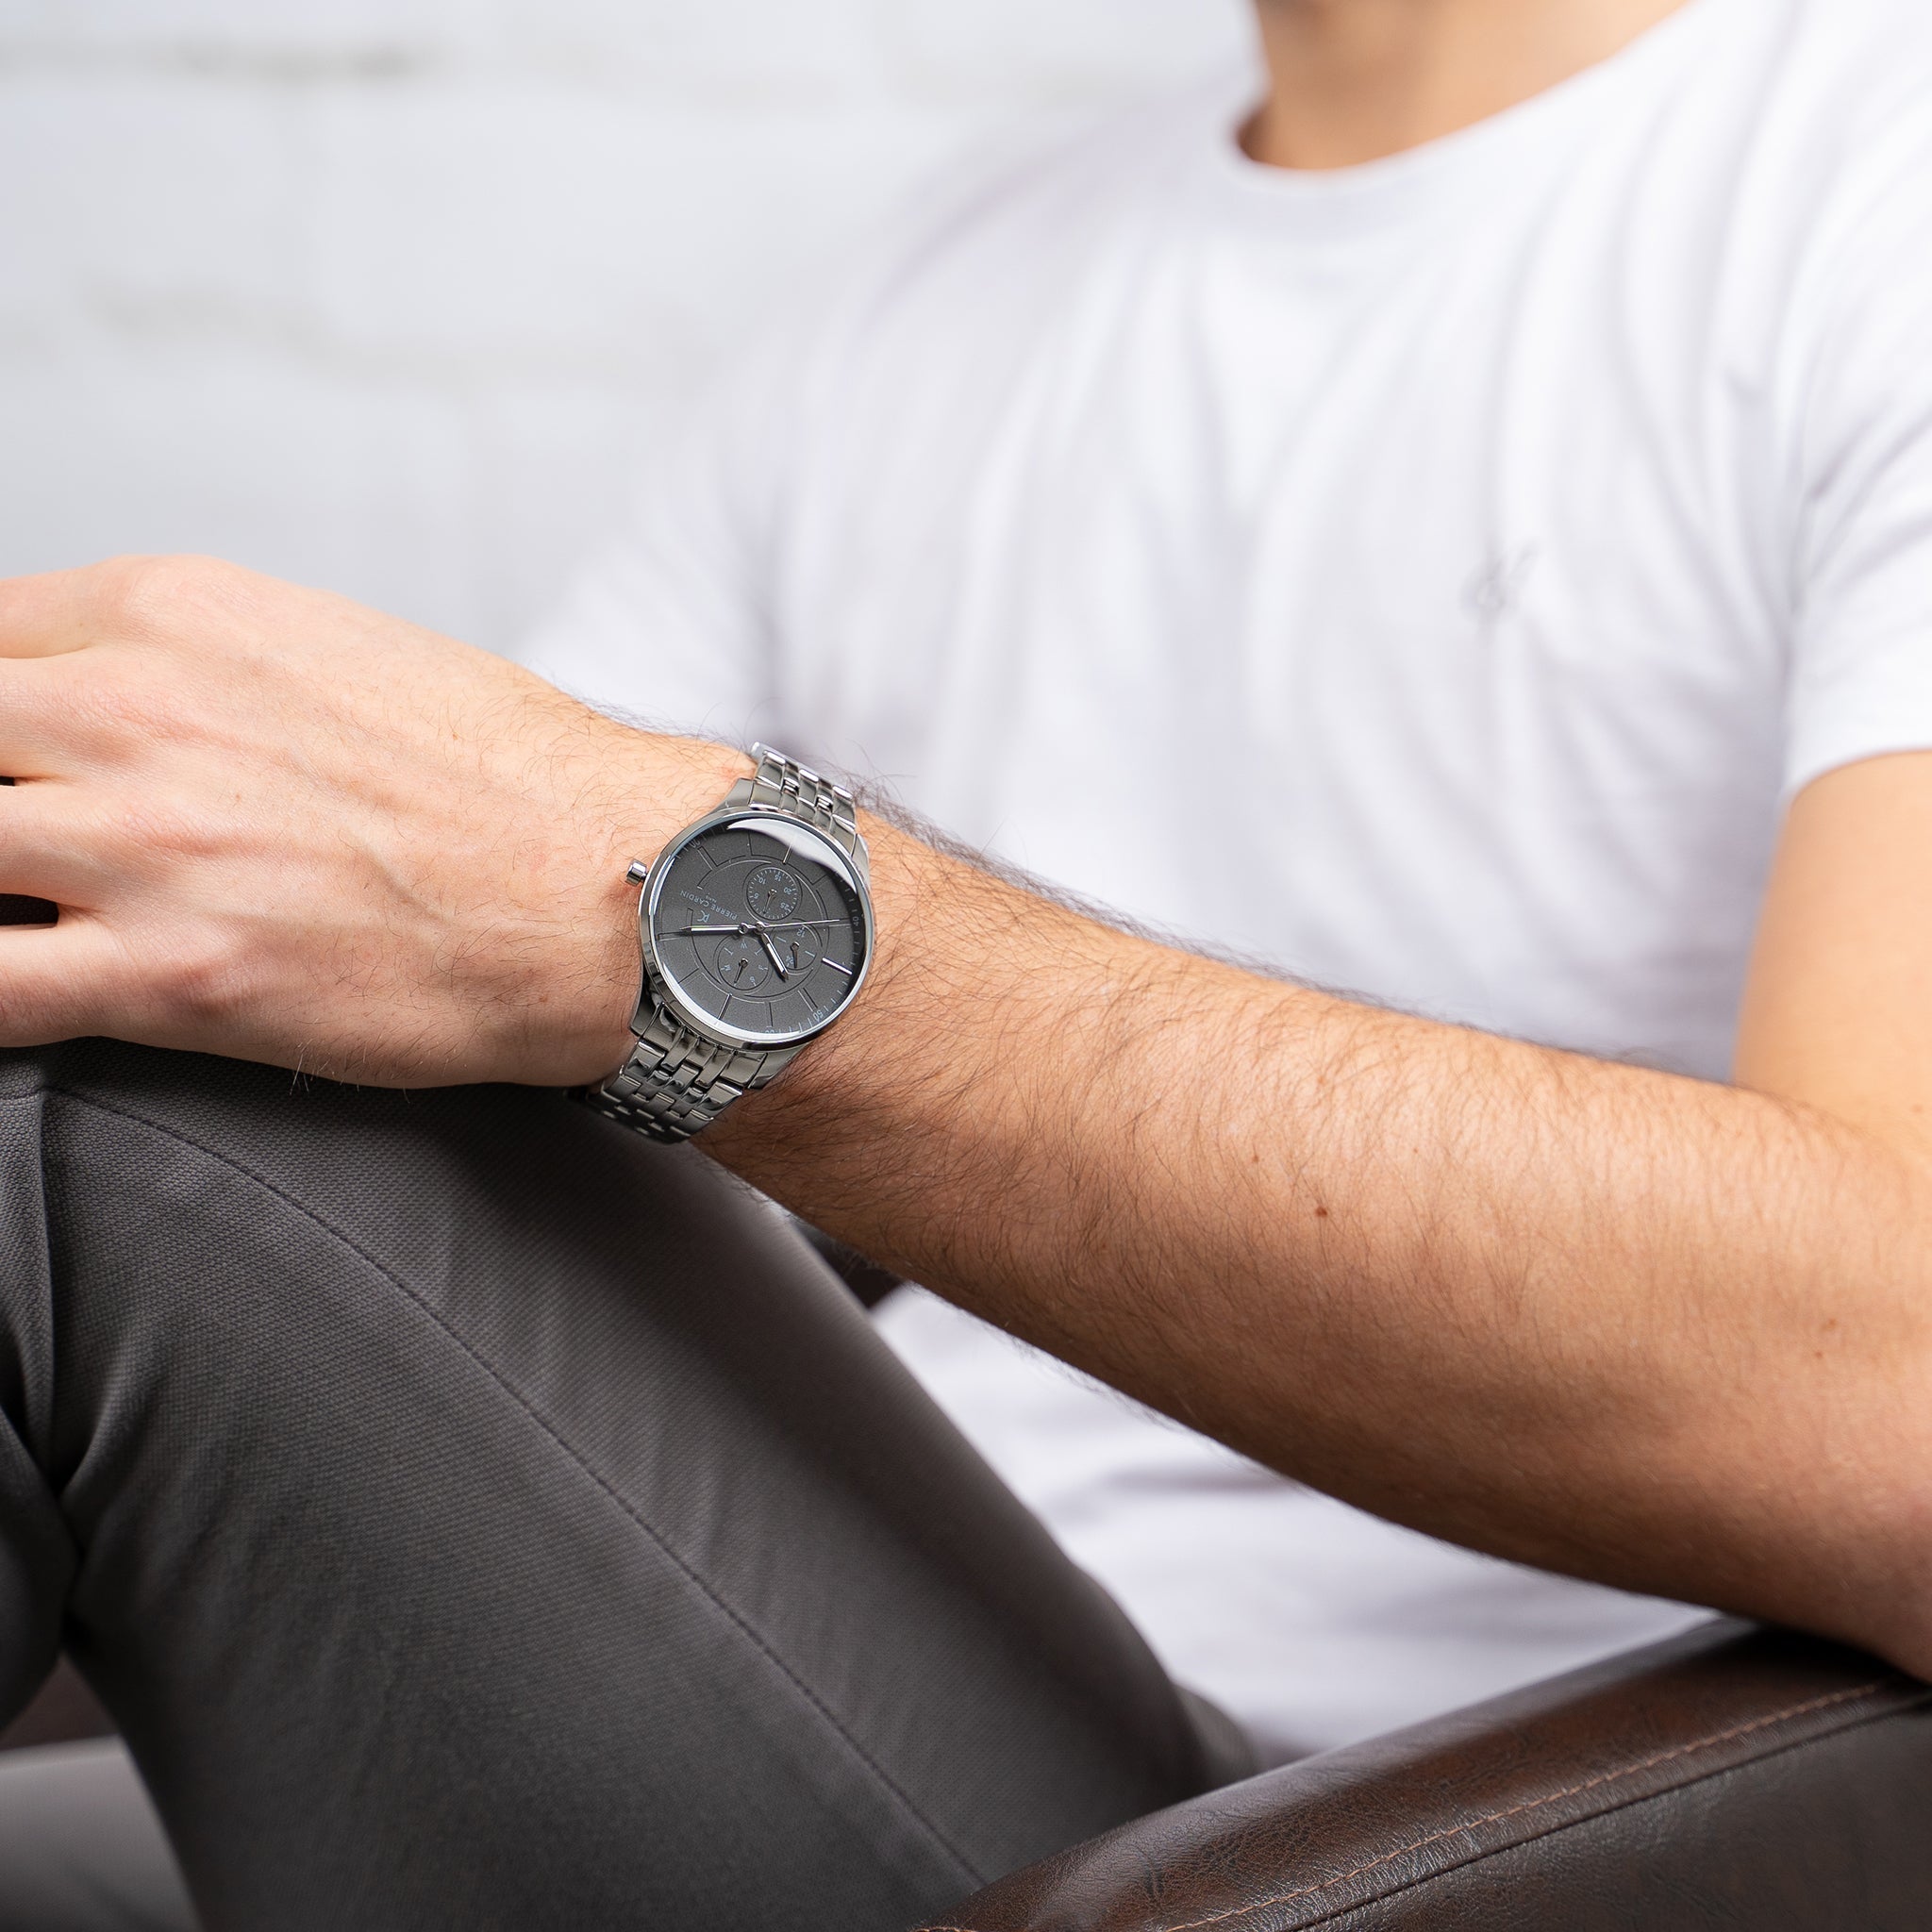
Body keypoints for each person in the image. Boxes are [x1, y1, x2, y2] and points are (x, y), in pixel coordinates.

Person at [5, 0, 1932, 1924]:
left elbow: (1897, 1406)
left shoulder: (1859, 183)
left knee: (87, 1131)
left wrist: (642, 898)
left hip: (1396, 1829)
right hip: (892, 1672)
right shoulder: (934, 298)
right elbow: (405, 939)